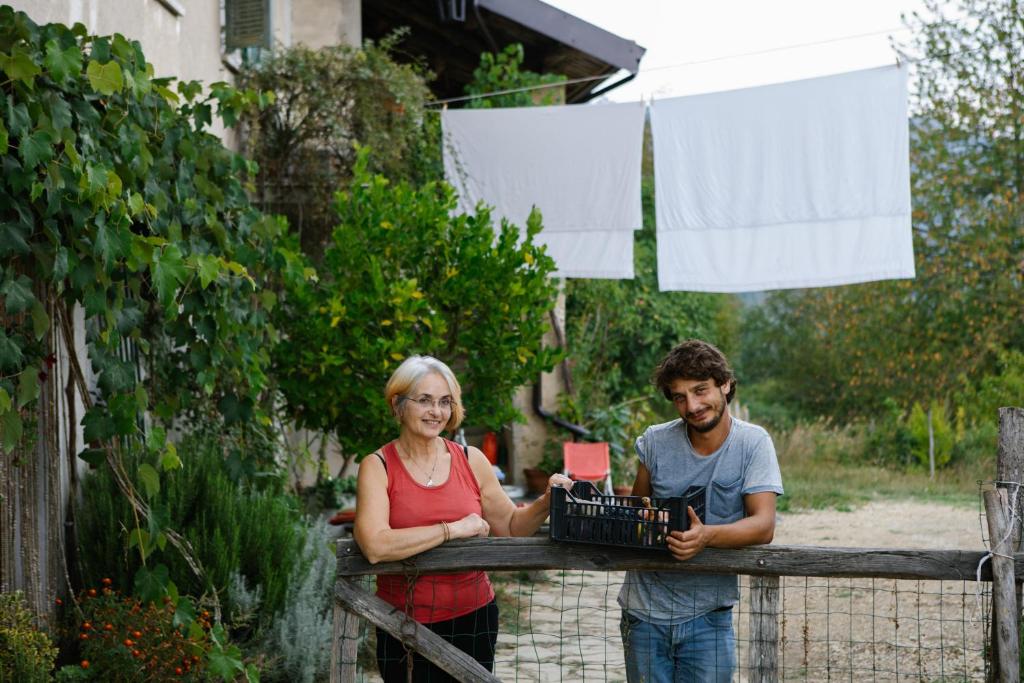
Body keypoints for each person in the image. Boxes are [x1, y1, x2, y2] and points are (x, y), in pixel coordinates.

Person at [354, 354, 571, 682]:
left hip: (475, 618)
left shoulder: (472, 460)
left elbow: (511, 527)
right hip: (402, 623)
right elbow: (375, 545)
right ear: (398, 404)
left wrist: (545, 501)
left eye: (445, 402)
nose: (436, 412)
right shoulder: (378, 466)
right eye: (424, 400)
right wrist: (453, 529)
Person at [618, 339, 784, 683]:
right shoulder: (654, 441)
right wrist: (645, 520)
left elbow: (764, 524)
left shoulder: (753, 443)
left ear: (725, 385)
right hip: (644, 612)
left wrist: (706, 536)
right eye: (680, 396)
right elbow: (636, 511)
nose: (691, 405)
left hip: (710, 615)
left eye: (700, 390)